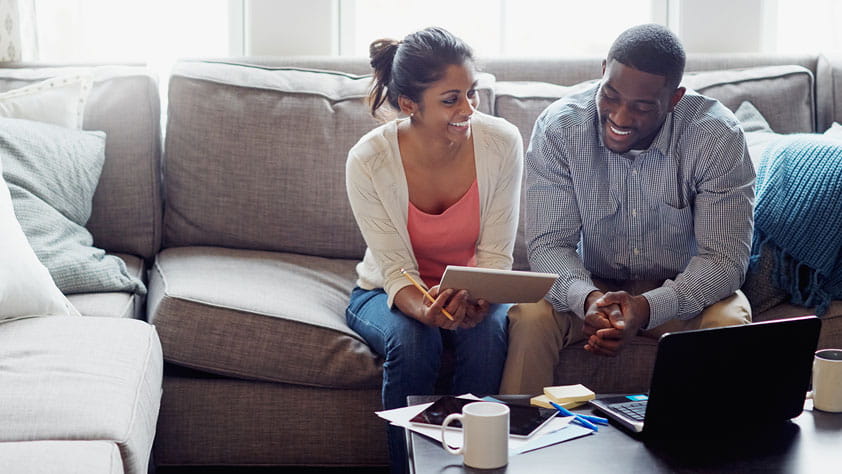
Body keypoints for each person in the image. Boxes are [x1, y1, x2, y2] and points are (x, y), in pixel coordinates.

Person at [500, 23, 755, 395]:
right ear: (603, 71)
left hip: (680, 293)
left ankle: (705, 448)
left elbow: (724, 260)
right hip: (592, 287)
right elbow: (549, 245)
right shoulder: (560, 128)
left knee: (730, 320)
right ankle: (520, 442)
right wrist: (587, 299)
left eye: (641, 107)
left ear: (674, 98)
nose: (620, 117)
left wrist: (647, 308)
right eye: (611, 96)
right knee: (531, 314)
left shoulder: (716, 137)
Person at [344, 27, 523, 473]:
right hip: (388, 292)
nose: (468, 109)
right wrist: (427, 311)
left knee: (487, 336)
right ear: (409, 105)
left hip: (473, 288)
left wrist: (479, 298)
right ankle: (408, 467)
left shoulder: (502, 143)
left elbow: (497, 256)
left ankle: (474, 463)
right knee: (412, 340)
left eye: (471, 93)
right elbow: (395, 269)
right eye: (450, 99)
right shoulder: (368, 160)